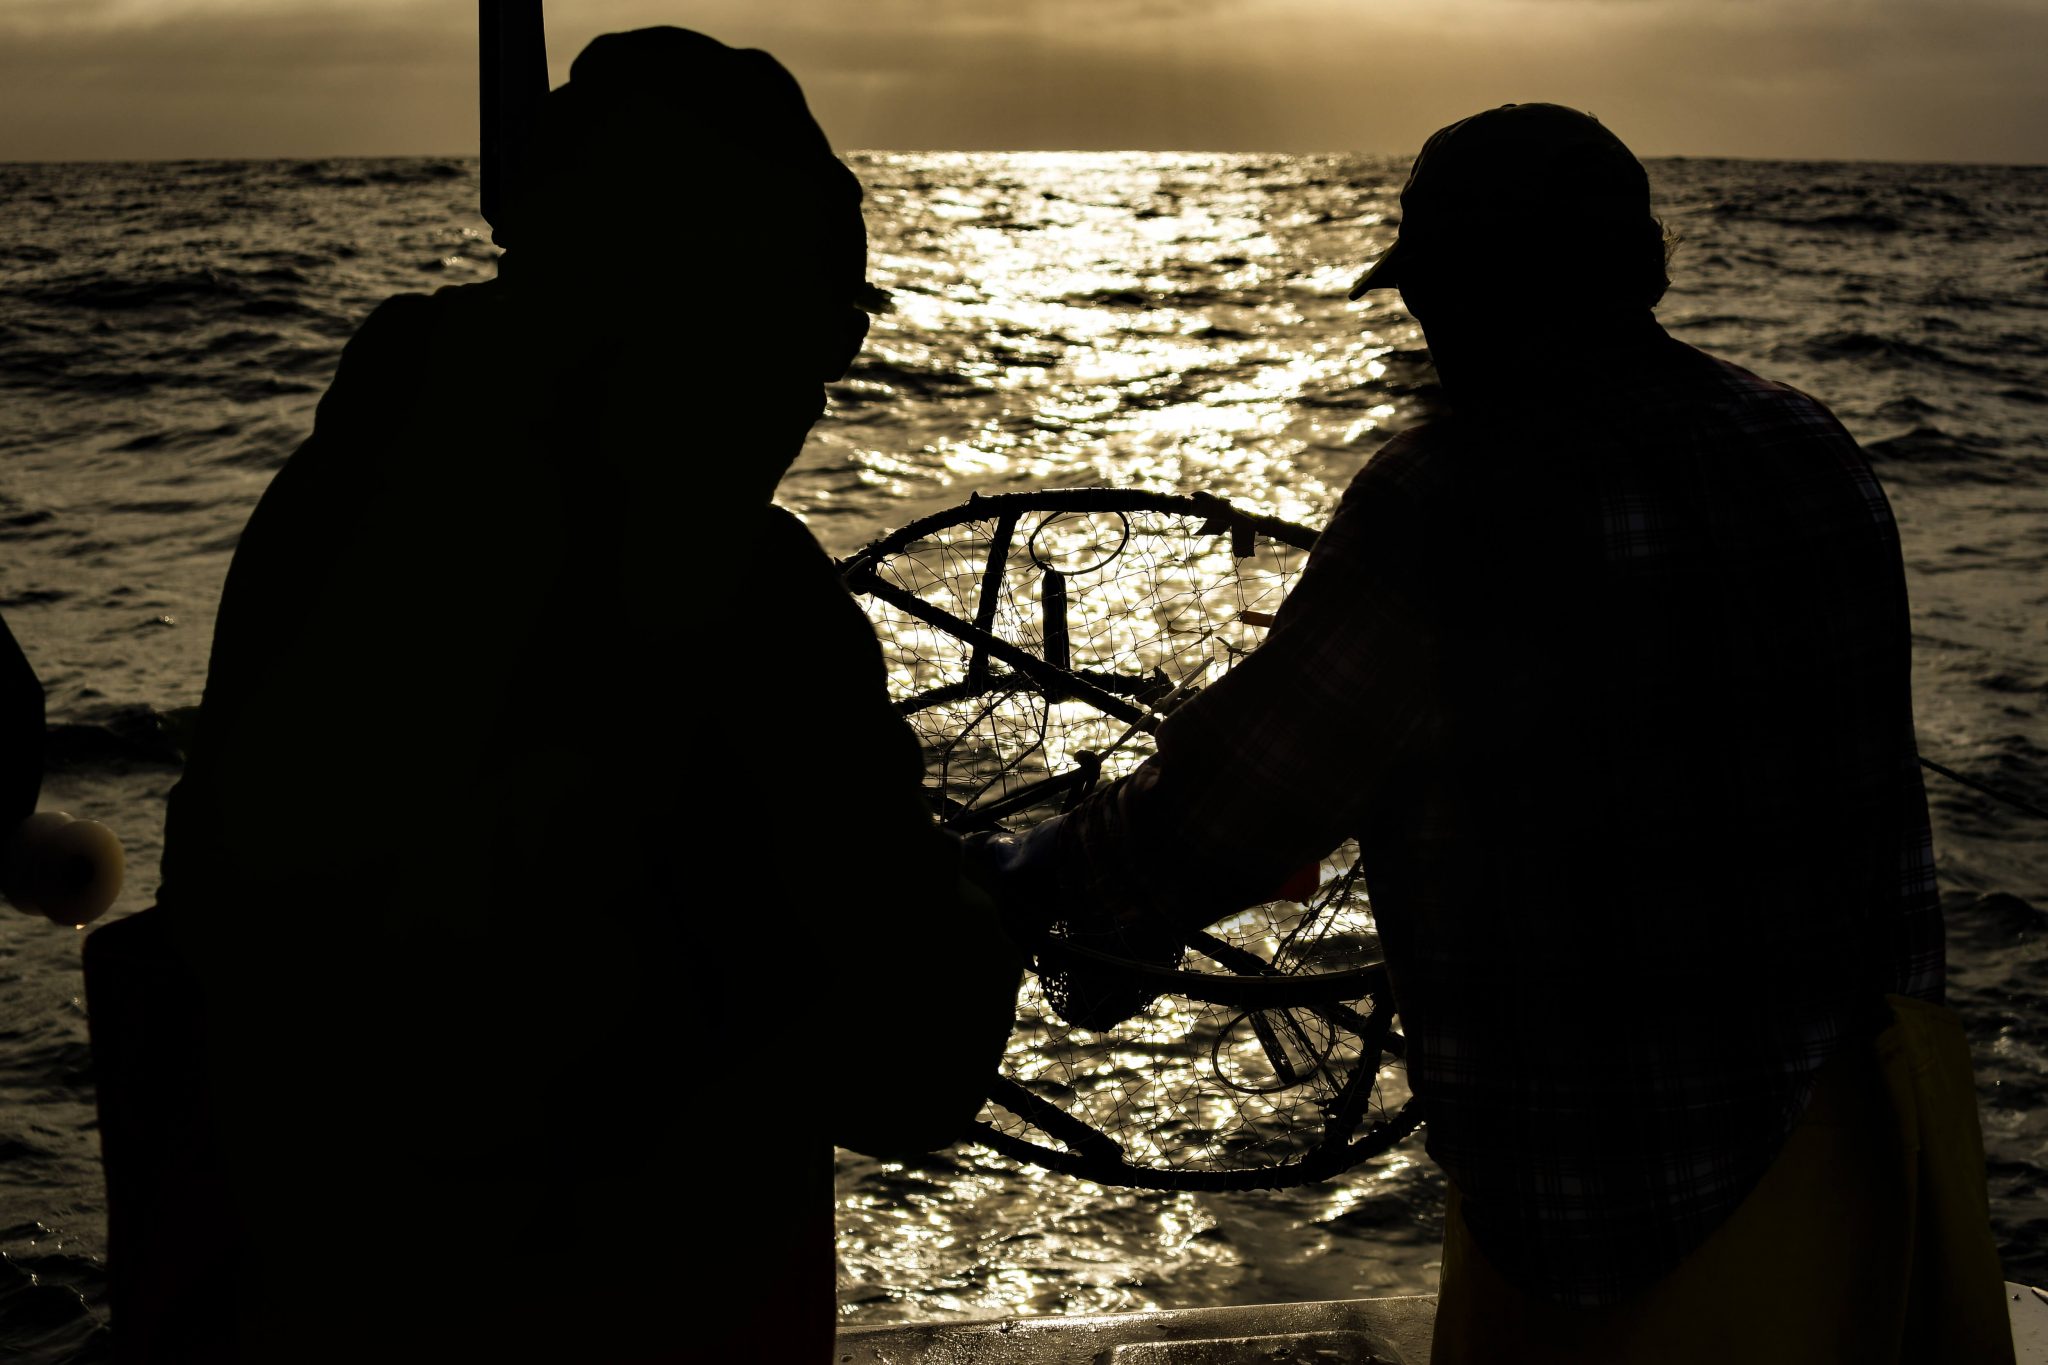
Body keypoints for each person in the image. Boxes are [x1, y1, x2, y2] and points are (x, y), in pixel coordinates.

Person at [977, 104, 2012, 1362]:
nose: (1424, 329)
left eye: (1438, 293)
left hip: (1617, 1213)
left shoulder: (1450, 492)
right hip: (1867, 1151)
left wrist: (1046, 870)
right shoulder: (1809, 445)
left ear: (1478, 293)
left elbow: (1237, 804)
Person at [83, 28, 1019, 1364]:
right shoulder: (737, 602)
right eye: (817, 327)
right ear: (705, 303)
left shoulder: (323, 509)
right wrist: (998, 908)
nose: (817, 393)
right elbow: (913, 1063)